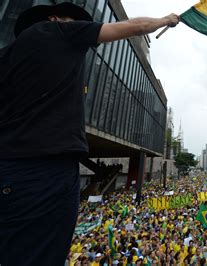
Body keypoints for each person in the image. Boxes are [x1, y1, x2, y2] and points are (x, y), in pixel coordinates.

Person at [0, 3, 179, 265]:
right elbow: (134, 27)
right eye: (73, 20)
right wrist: (165, 19)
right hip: (45, 170)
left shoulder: (7, 56)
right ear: (54, 19)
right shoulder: (60, 32)